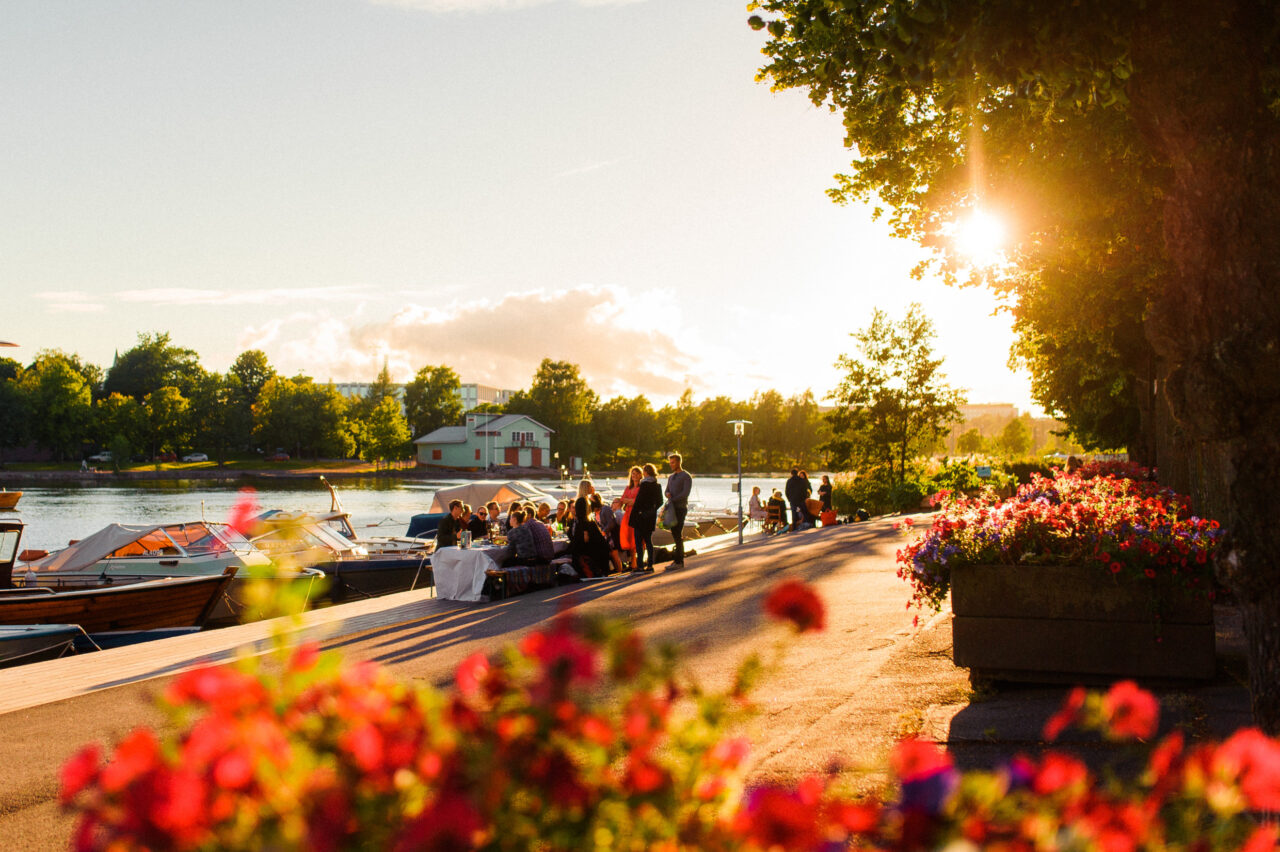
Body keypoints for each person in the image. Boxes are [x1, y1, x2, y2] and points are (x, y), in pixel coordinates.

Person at [629, 463, 662, 571]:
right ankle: (650, 565)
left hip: (640, 515)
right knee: (648, 541)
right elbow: (660, 502)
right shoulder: (657, 486)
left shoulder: (644, 485)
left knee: (638, 541)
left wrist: (637, 513)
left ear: (646, 473)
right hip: (650, 517)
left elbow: (639, 501)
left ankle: (640, 566)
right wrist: (652, 511)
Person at [665, 452, 693, 568]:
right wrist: (667, 494)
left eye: (673, 462)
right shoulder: (671, 477)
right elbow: (666, 490)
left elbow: (685, 493)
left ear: (679, 462)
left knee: (677, 533)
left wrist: (674, 499)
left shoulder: (686, 476)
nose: (671, 465)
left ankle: (679, 561)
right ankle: (677, 559)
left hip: (680, 508)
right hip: (671, 509)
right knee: (674, 533)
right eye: (670, 463)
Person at [590, 493, 625, 574]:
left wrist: (604, 532)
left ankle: (620, 572)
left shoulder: (605, 509)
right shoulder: (595, 513)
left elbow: (611, 522)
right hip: (604, 537)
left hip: (611, 536)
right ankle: (617, 572)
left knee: (615, 555)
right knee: (610, 555)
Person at [617, 465, 642, 568]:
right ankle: (633, 562)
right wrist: (630, 501)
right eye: (633, 474)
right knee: (630, 538)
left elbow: (640, 501)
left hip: (637, 515)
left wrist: (631, 501)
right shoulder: (628, 488)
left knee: (638, 539)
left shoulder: (642, 487)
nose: (635, 476)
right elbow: (622, 500)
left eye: (637, 474)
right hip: (628, 515)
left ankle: (639, 561)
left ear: (641, 475)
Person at [784, 467, 809, 531]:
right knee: (804, 512)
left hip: (793, 500)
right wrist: (804, 498)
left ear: (791, 473)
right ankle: (806, 525)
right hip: (801, 499)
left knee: (794, 514)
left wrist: (789, 499)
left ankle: (794, 527)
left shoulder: (789, 481)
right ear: (797, 473)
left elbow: (787, 491)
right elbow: (805, 490)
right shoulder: (802, 480)